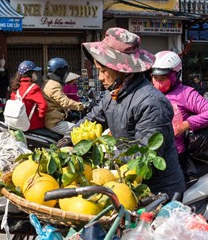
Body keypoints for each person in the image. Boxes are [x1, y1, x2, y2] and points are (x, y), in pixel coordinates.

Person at [58, 28, 186, 199]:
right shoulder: (112, 95)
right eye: (98, 71)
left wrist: (105, 152)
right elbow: (92, 119)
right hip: (128, 183)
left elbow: (145, 158)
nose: (100, 78)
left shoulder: (151, 102)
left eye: (103, 71)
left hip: (157, 191)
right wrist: (68, 139)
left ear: (122, 71)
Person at [151, 51, 208, 182]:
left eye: (163, 79)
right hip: (151, 154)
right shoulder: (149, 92)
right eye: (155, 78)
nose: (158, 83)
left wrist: (186, 125)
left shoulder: (186, 93)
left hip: (175, 155)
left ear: (175, 76)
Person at [42, 58, 85, 135]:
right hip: (54, 122)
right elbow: (64, 102)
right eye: (64, 71)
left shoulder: (48, 82)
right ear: (58, 71)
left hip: (53, 118)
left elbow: (56, 101)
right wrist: (81, 106)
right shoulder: (53, 85)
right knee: (81, 132)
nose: (66, 74)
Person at [9, 60, 47, 130]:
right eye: (34, 72)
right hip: (31, 124)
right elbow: (43, 105)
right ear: (31, 73)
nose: (36, 74)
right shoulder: (33, 87)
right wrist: (40, 117)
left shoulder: (16, 86)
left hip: (16, 123)